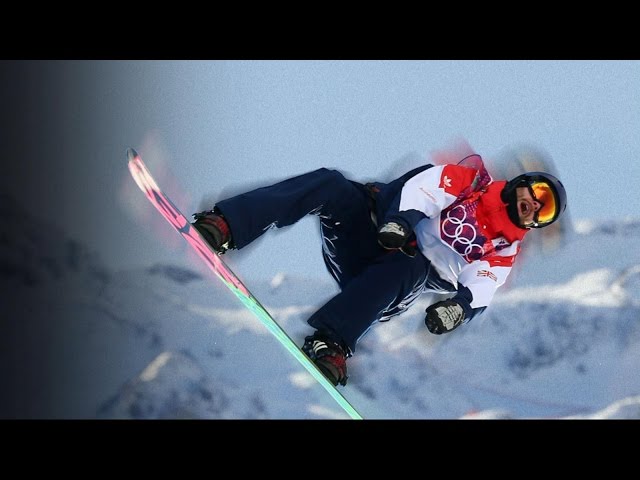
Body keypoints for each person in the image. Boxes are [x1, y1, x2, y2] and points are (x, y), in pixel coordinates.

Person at [192, 154, 567, 387]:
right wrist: (400, 221)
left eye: (545, 210)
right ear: (521, 183)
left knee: (412, 262)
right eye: (538, 193)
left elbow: (483, 286)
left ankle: (332, 344)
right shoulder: (470, 183)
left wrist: (458, 308)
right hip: (371, 235)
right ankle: (227, 225)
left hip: (390, 284)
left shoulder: (503, 249)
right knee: (331, 184)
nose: (535, 205)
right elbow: (426, 190)